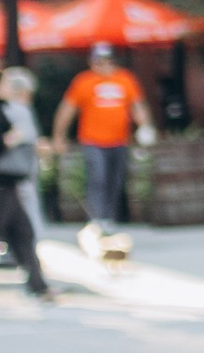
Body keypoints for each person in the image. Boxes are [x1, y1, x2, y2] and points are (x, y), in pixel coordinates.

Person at [51, 41, 150, 248]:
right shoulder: (84, 81)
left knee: (115, 180)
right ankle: (97, 219)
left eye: (106, 61)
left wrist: (145, 126)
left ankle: (109, 219)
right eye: (98, 61)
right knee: (98, 177)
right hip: (92, 141)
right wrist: (59, 136)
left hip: (119, 140)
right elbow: (68, 109)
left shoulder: (125, 79)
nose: (103, 66)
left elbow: (137, 105)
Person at [0, 65, 55, 302]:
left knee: (23, 232)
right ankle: (38, 285)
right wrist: (15, 138)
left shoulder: (4, 111)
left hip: (9, 182)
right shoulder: (12, 110)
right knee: (20, 231)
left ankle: (38, 285)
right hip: (3, 181)